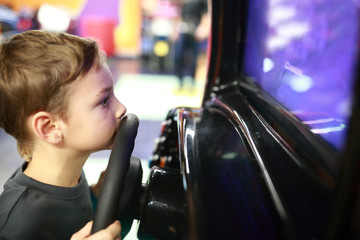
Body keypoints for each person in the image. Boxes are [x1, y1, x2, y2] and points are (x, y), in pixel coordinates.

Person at [0, 30, 126, 239]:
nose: (121, 109)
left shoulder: (69, 176)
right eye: (104, 101)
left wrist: (96, 198)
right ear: (50, 127)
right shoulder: (14, 223)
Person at [171, 0, 209, 90]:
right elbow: (178, 14)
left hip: (195, 30)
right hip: (182, 30)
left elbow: (205, 14)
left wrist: (203, 28)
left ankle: (192, 83)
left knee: (194, 58)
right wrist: (174, 30)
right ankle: (180, 82)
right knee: (178, 56)